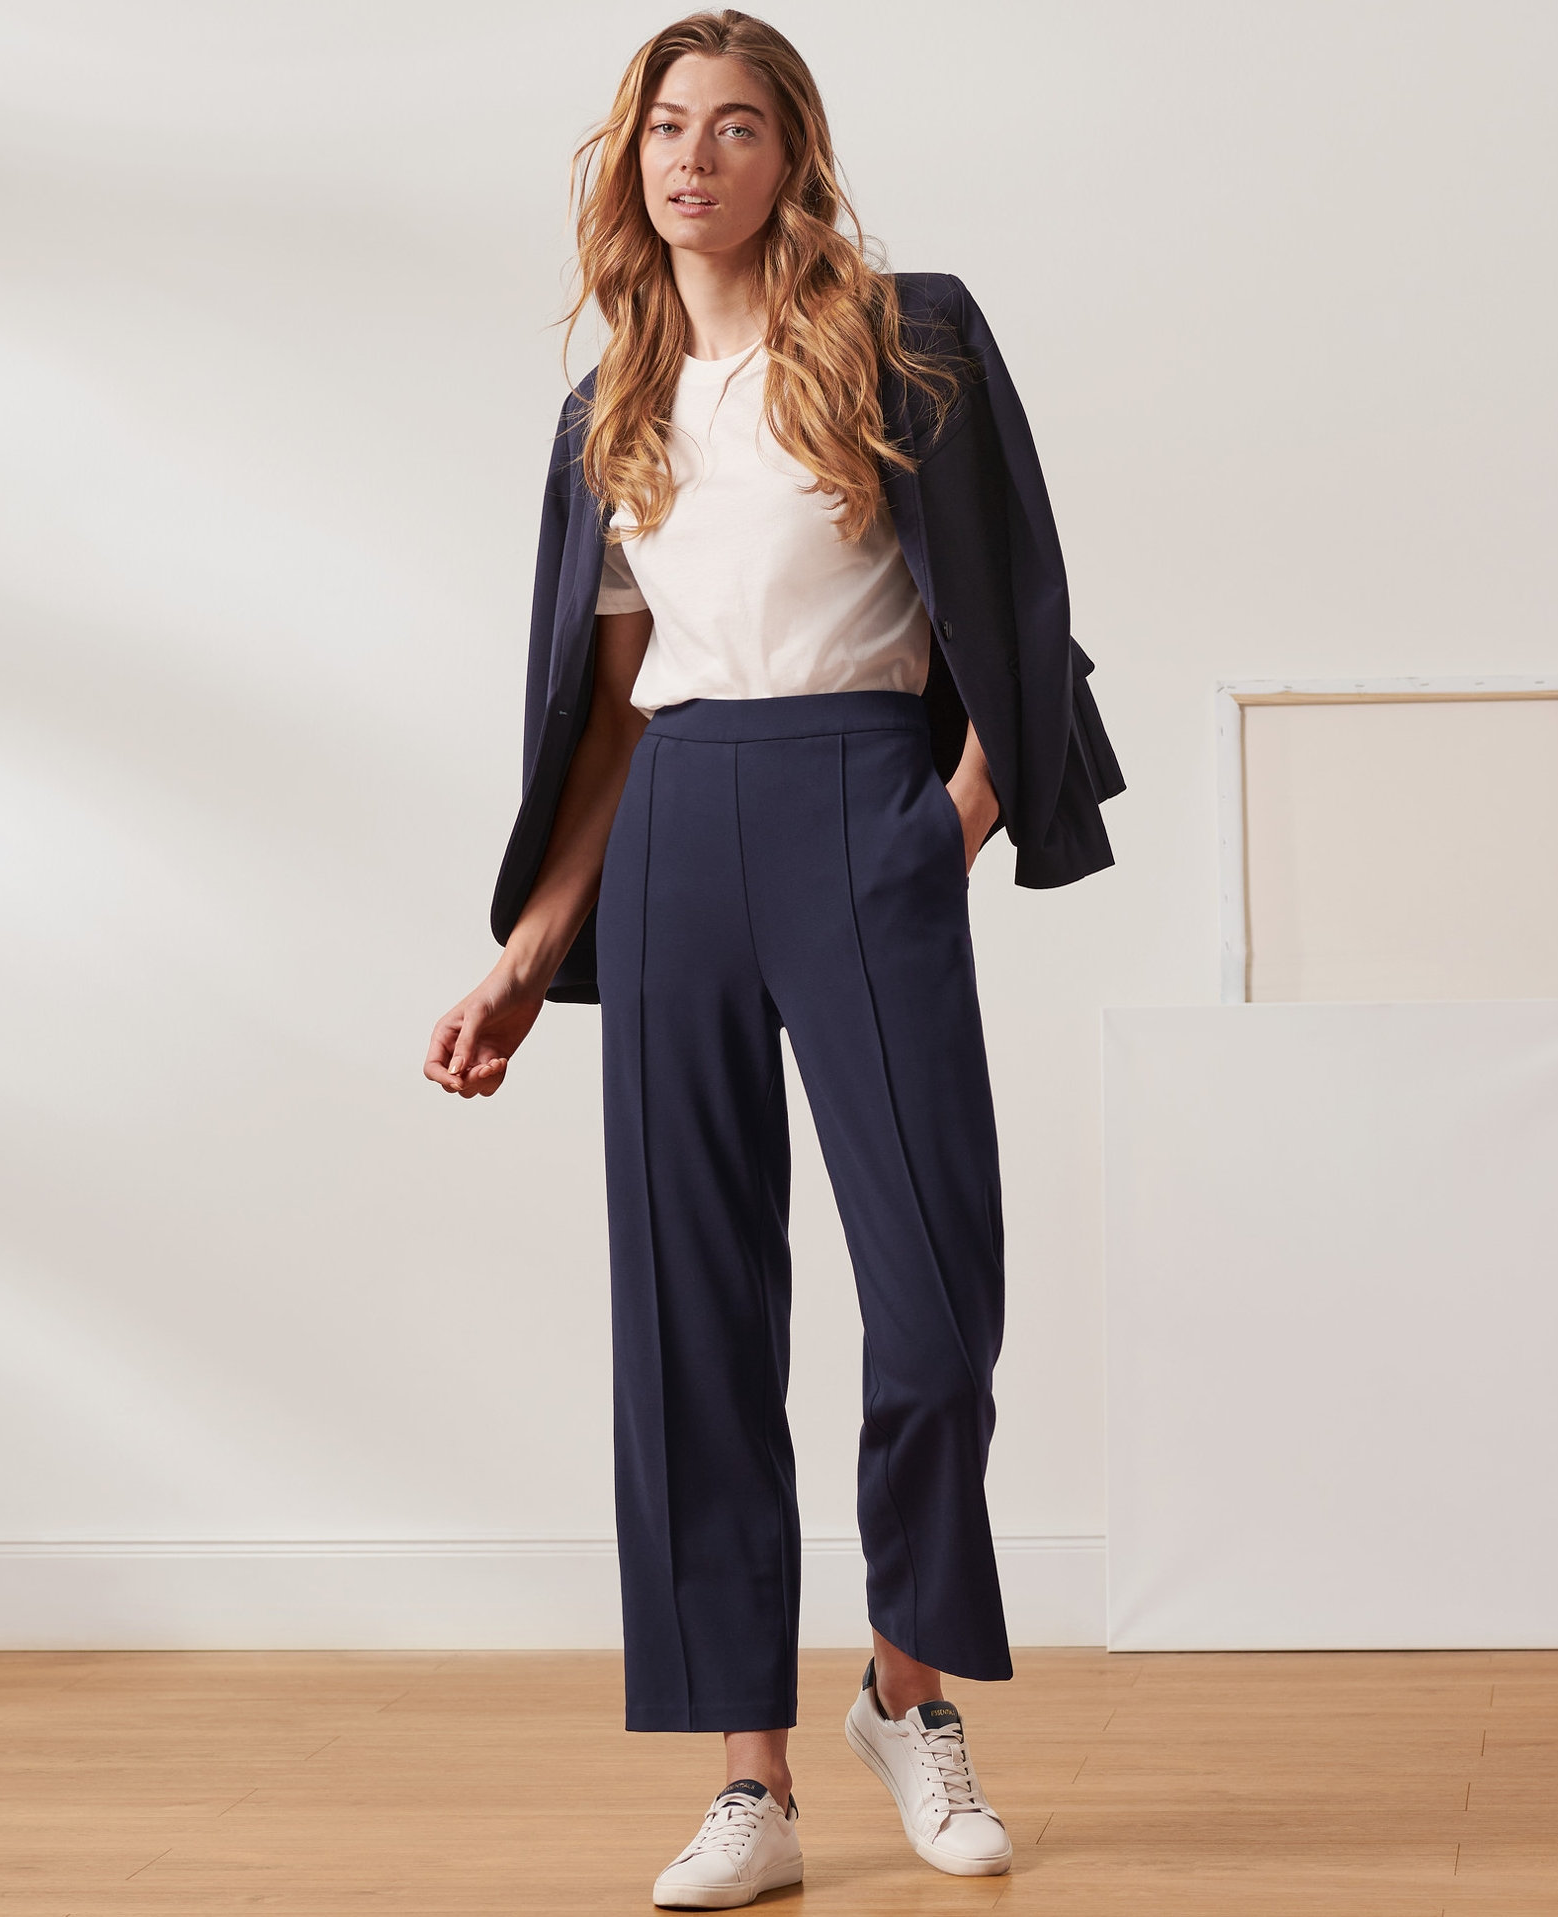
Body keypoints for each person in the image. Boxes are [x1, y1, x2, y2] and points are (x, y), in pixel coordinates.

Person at [423, 10, 1122, 1908]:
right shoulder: (612, 409)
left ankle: (906, 1692)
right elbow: (608, 715)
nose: (694, 159)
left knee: (936, 1301)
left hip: (860, 801)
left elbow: (1023, 613)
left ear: (791, 155)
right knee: (692, 1314)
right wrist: (525, 954)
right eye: (666, 127)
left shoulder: (906, 338)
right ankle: (750, 1779)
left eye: (736, 127)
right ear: (628, 159)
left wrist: (943, 824)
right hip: (676, 828)